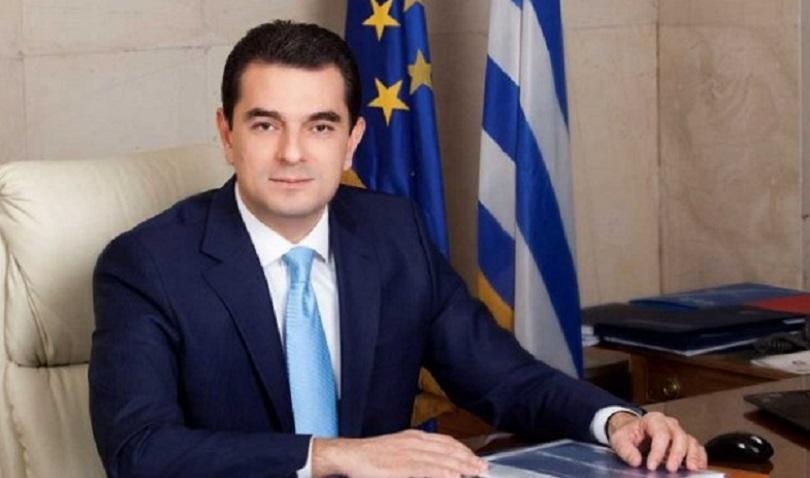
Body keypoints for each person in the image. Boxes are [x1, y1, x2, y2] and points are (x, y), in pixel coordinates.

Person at [89, 20, 707, 478]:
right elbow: (140, 451)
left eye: (320, 126)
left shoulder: (393, 234)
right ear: (227, 133)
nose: (293, 153)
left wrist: (618, 421)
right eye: (265, 124)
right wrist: (332, 456)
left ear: (352, 140)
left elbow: (506, 377)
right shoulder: (147, 265)